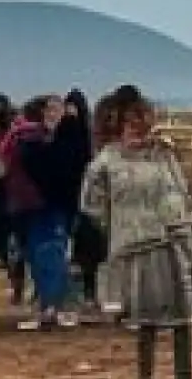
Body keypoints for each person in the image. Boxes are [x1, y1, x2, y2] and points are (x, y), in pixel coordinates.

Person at [82, 88, 192, 379]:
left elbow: (177, 193)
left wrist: (183, 228)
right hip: (136, 248)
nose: (139, 131)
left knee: (181, 321)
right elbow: (92, 204)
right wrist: (123, 226)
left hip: (171, 242)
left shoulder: (162, 155)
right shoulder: (106, 162)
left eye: (143, 123)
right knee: (145, 323)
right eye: (131, 125)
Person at [7, 96, 76, 331]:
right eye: (51, 110)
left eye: (59, 110)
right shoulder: (30, 139)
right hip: (36, 206)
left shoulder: (60, 140)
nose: (55, 115)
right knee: (41, 257)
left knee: (52, 256)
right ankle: (48, 307)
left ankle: (52, 307)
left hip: (50, 206)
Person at [62, 89, 107, 313]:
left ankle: (86, 295)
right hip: (81, 202)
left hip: (80, 202)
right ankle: (85, 295)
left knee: (85, 252)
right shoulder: (88, 136)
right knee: (85, 253)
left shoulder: (75, 135)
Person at [0, 94, 25, 304]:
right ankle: (16, 283)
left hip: (10, 188)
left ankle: (17, 284)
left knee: (13, 242)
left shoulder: (16, 129)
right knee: (7, 243)